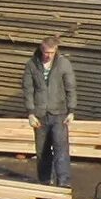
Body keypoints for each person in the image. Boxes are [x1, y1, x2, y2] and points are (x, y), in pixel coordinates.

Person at [23, 38, 75, 187]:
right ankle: (45, 180)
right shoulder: (32, 65)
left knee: (61, 149)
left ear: (56, 50)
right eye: (46, 52)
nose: (49, 56)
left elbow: (70, 88)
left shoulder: (63, 64)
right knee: (42, 150)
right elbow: (28, 90)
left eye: (52, 53)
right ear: (41, 49)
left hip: (59, 113)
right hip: (39, 114)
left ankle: (64, 181)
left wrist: (71, 110)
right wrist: (30, 113)